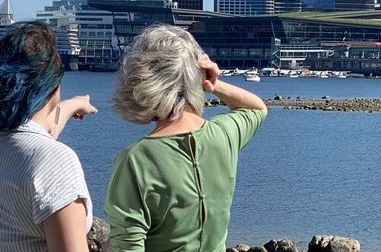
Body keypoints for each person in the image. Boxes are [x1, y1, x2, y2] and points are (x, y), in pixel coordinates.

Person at [104, 24, 267, 252]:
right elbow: (257, 109)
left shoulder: (135, 160)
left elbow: (127, 247)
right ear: (198, 77)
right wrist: (214, 84)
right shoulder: (223, 135)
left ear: (141, 81)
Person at [0, 21, 98, 252]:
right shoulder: (55, 161)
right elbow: (42, 151)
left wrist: (75, 104)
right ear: (53, 87)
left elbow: (37, 136)